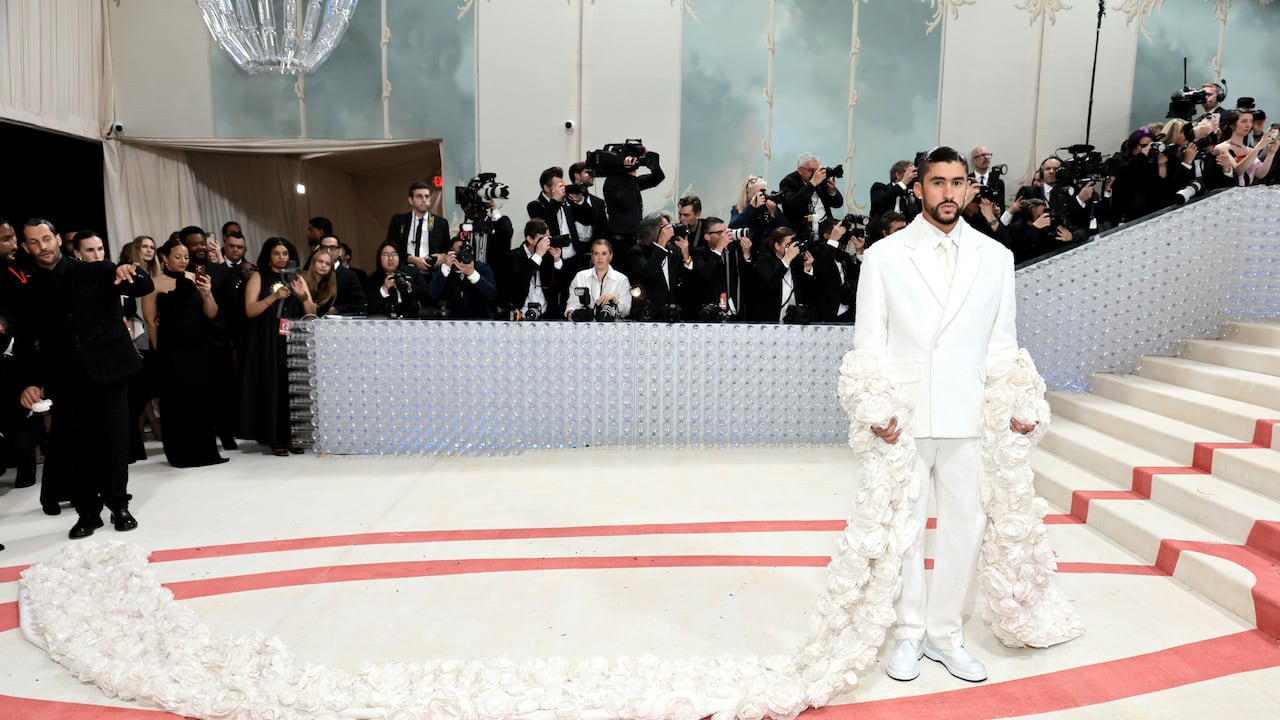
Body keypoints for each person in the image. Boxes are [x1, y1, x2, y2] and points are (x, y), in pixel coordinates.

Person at [852, 146, 1034, 684]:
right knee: (903, 528)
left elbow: (1004, 344)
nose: (949, 192)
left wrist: (1017, 403)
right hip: (904, 417)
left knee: (965, 527)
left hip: (970, 413)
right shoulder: (883, 257)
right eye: (938, 182)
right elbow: (870, 344)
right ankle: (908, 632)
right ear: (920, 188)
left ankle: (945, 634)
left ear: (969, 188)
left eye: (958, 182)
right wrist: (876, 408)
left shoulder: (996, 258)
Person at [18, 220, 154, 538]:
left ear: (57, 240)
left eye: (47, 238)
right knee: (77, 447)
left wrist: (129, 271)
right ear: (26, 247)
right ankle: (86, 512)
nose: (43, 246)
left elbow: (142, 287)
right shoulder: (30, 290)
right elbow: (26, 341)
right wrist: (30, 381)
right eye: (34, 242)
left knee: (115, 443)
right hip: (64, 378)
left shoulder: (95, 270)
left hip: (110, 371)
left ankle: (119, 505)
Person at [141, 238, 227, 468]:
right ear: (165, 258)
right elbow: (150, 321)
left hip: (198, 347)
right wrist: (160, 351)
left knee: (201, 399)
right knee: (176, 401)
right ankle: (181, 452)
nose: (183, 261)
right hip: (171, 349)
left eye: (186, 257)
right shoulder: (154, 283)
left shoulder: (196, 280)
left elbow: (212, 313)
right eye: (177, 256)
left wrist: (207, 293)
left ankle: (206, 451)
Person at [238, 237, 309, 456]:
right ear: (268, 255)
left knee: (293, 386)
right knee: (272, 385)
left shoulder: (296, 277)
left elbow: (311, 308)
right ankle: (274, 438)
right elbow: (250, 310)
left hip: (292, 337)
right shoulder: (258, 276)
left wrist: (303, 295)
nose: (281, 257)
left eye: (285, 253)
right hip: (267, 339)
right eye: (277, 253)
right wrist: (274, 297)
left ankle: (294, 436)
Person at [427, 236, 499, 319]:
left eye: (467, 251)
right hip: (453, 321)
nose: (463, 255)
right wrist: (445, 269)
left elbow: (492, 295)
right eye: (459, 253)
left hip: (479, 320)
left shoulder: (482, 268)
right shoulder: (446, 271)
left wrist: (473, 274)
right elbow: (432, 294)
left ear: (472, 252)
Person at [386, 181, 450, 272]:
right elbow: (391, 247)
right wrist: (411, 259)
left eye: (427, 196)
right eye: (419, 196)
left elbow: (447, 249)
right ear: (411, 200)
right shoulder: (399, 221)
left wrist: (443, 256)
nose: (424, 200)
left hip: (432, 274)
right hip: (406, 271)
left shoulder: (440, 223)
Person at [780, 152, 845, 239]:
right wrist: (812, 184)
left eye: (817, 170)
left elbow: (838, 204)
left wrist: (832, 191)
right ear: (800, 170)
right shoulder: (788, 182)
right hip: (802, 233)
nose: (815, 174)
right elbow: (793, 204)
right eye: (811, 170)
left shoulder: (821, 180)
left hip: (825, 232)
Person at [565, 239, 630, 320]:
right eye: (596, 254)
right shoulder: (580, 276)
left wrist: (615, 300)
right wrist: (571, 314)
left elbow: (626, 311)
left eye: (604, 253)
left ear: (610, 256)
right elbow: (572, 304)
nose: (600, 257)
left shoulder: (622, 280)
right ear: (592, 256)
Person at [366, 241, 429, 318]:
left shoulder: (412, 273)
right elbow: (371, 308)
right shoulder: (373, 279)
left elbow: (427, 296)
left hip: (411, 321)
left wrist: (410, 288)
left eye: (394, 254)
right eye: (386, 255)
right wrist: (384, 289)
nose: (390, 258)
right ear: (379, 258)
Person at [729, 176, 789, 243]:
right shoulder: (739, 208)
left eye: (764, 192)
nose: (763, 196)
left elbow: (786, 231)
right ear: (748, 195)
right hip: (746, 248)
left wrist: (774, 212)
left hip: (768, 249)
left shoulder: (768, 207)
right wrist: (751, 207)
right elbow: (732, 227)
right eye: (759, 194)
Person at [300, 250, 337, 317]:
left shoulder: (329, 288)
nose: (323, 265)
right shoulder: (301, 278)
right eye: (320, 262)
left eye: (327, 264)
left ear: (331, 269)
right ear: (313, 263)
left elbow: (318, 314)